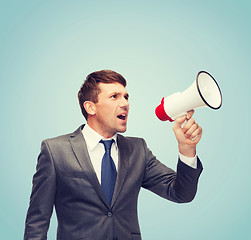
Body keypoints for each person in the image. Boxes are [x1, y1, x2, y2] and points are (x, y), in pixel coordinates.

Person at [24, 70, 203, 240]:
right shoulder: (55, 150)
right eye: (114, 97)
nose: (125, 103)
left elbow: (181, 193)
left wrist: (186, 149)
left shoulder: (137, 149)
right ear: (90, 107)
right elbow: (37, 222)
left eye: (126, 97)